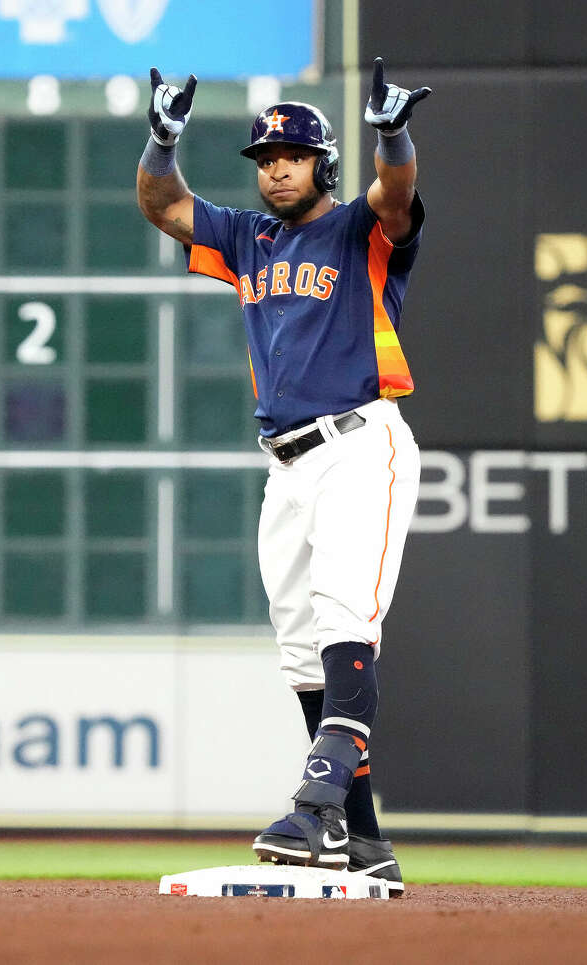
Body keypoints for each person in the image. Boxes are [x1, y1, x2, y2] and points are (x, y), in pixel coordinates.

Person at [136, 58, 431, 896]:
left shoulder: (355, 232)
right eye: (265, 157)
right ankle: (362, 837)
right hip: (286, 462)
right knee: (302, 650)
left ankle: (319, 799)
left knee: (345, 618)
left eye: (291, 155)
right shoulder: (244, 239)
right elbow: (162, 204)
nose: (274, 167)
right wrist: (162, 141)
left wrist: (393, 135)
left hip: (358, 441)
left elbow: (398, 196)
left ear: (322, 166)